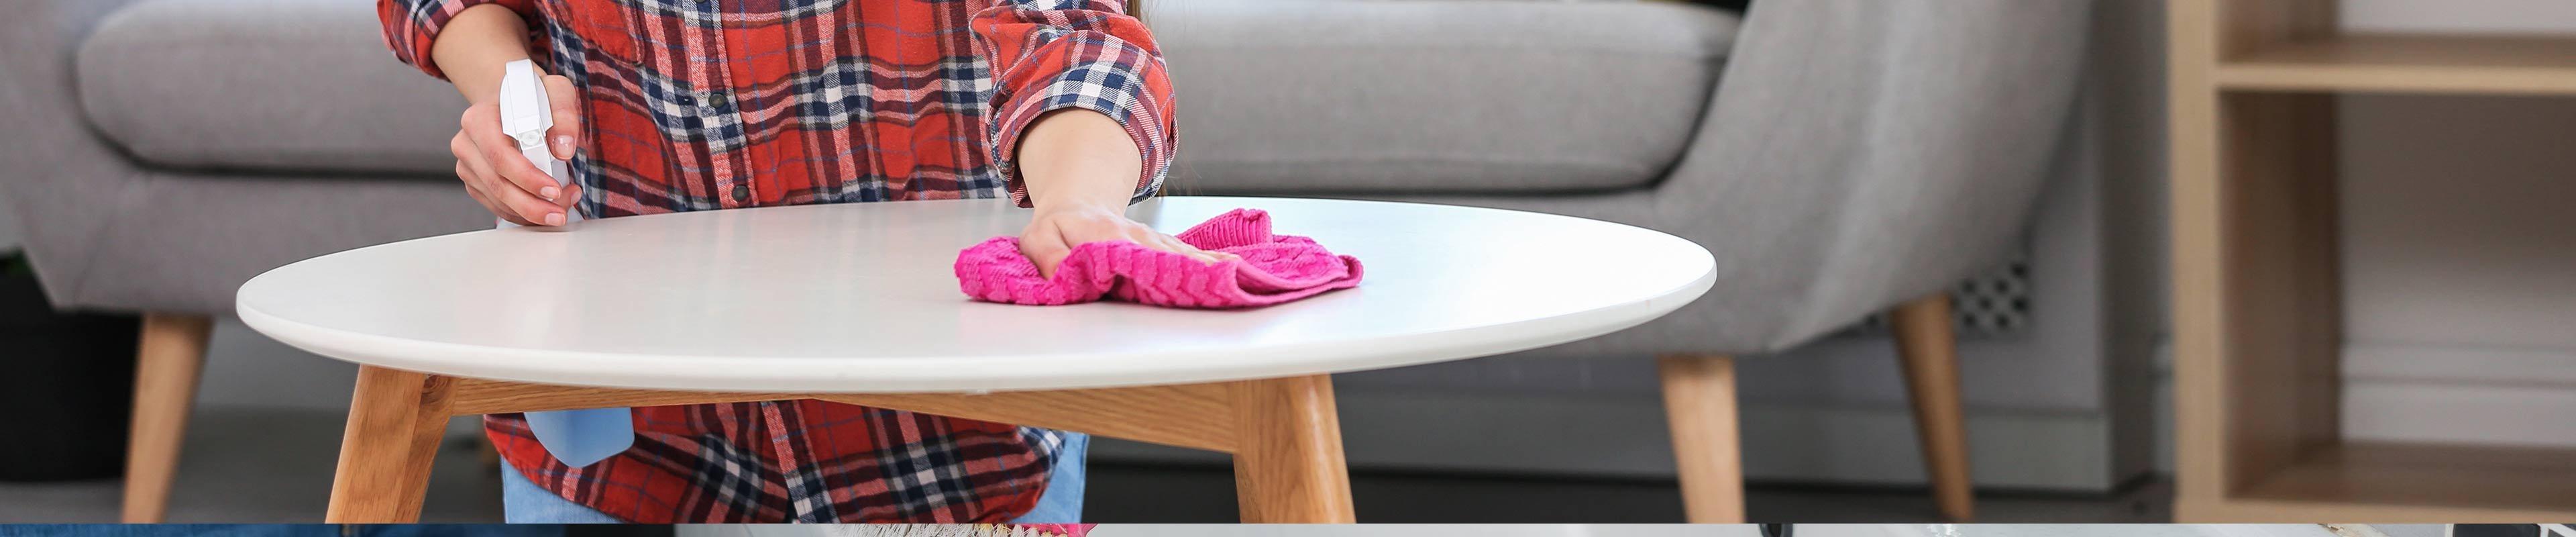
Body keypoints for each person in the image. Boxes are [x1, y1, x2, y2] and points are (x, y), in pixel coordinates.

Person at [376, 0, 1209, 523]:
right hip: (614, 444)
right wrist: (509, 86)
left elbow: (1072, 40)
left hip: (950, 450)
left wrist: (1079, 203)